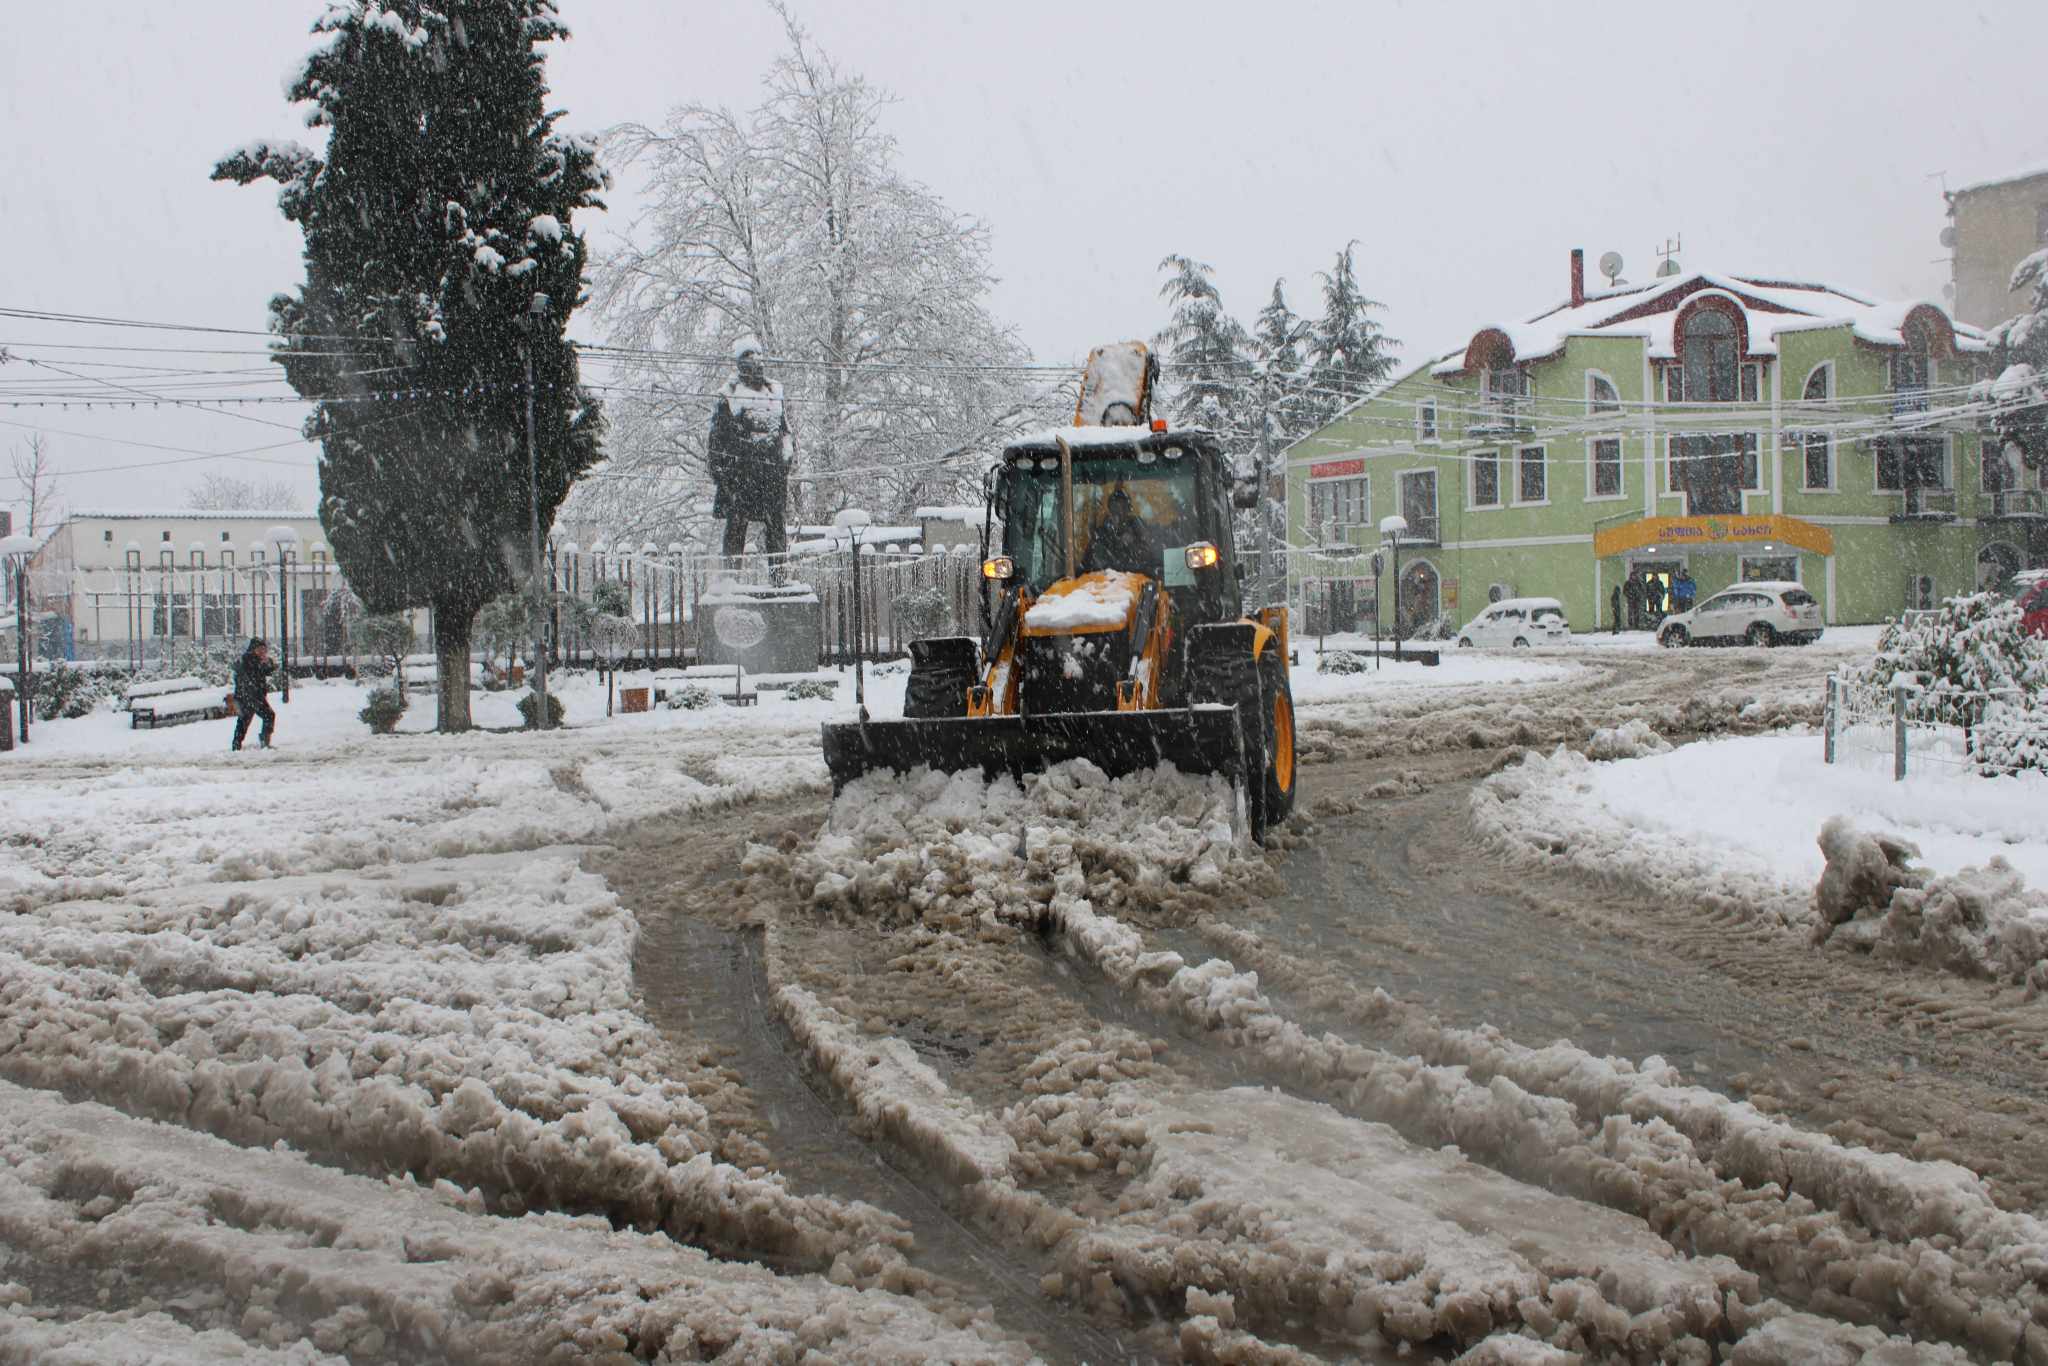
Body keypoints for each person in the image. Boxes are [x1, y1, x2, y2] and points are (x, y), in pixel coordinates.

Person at [709, 338, 790, 560]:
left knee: (776, 526)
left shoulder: (774, 392)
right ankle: (730, 581)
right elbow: (717, 442)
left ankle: (780, 579)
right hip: (740, 478)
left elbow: (785, 432)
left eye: (757, 357)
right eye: (749, 358)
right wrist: (724, 477)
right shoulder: (730, 394)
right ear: (741, 365)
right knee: (736, 526)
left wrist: (785, 460)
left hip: (771, 478)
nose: (755, 363)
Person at [1080, 486, 1157, 573]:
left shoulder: (1138, 529)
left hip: (1135, 579)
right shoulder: (1101, 534)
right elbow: (1088, 563)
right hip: (1105, 582)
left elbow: (1150, 558)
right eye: (1115, 508)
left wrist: (1132, 544)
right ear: (1110, 510)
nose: (1119, 513)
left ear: (1128, 510)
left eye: (1123, 508)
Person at [231, 637, 277, 751]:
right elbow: (253, 674)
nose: (263, 652)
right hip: (250, 696)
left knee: (244, 721)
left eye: (264, 649)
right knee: (267, 715)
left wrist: (269, 663)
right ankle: (264, 742)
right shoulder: (249, 660)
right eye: (260, 649)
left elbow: (266, 670)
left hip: (249, 696)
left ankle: (237, 746)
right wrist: (265, 664)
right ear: (253, 649)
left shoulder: (253, 660)